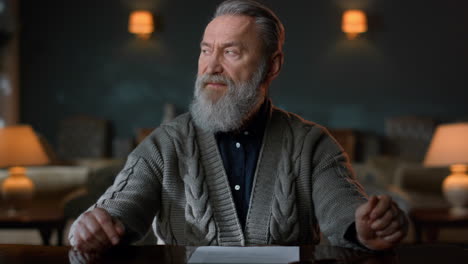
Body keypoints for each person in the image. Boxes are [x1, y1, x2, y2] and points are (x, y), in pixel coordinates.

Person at [69, 0, 408, 252]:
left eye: (230, 52)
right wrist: (95, 226)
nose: (211, 66)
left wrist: (365, 226)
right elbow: (119, 209)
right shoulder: (164, 144)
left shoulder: (313, 144)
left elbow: (342, 208)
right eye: (206, 51)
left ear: (272, 66)